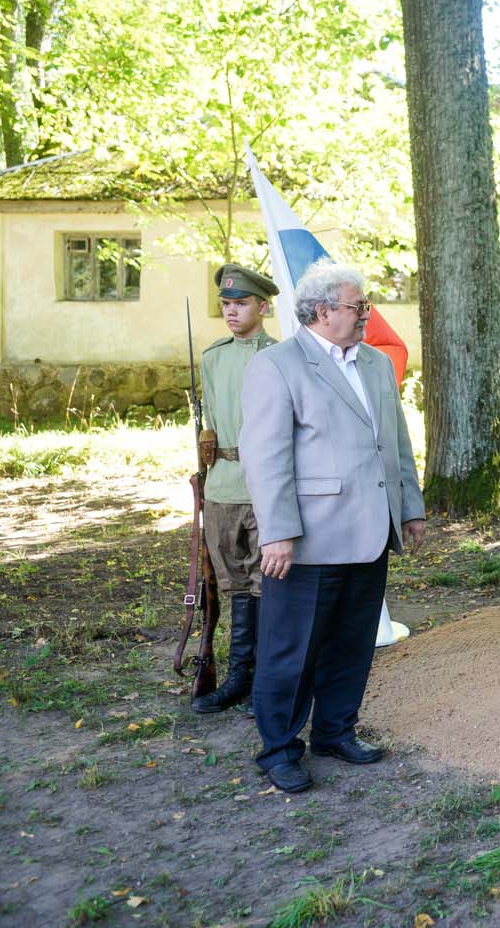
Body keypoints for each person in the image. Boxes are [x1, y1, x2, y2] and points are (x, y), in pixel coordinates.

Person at [238, 262, 425, 793]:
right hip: (308, 539)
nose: (367, 314)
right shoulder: (278, 366)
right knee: (290, 649)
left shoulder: (374, 364)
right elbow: (265, 457)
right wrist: (277, 532)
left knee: (352, 641)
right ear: (323, 312)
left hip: (371, 531)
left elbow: (395, 442)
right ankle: (279, 748)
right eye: (358, 306)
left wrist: (409, 507)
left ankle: (335, 731)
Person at [191, 264, 280, 714]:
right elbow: (211, 423)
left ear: (263, 307)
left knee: (270, 583)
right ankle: (238, 677)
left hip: (267, 486)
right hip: (223, 485)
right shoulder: (212, 357)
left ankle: (267, 680)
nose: (231, 311)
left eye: (241, 303)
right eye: (226, 304)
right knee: (236, 585)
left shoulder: (282, 356)